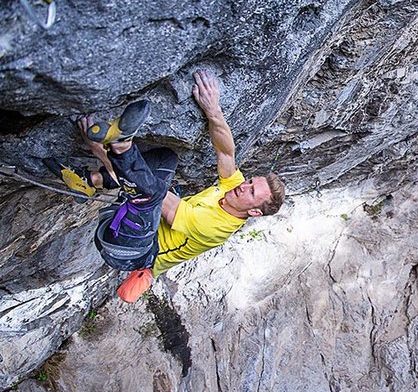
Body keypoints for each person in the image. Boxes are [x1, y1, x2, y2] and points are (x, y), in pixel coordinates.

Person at [45, 70, 285, 302]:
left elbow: (159, 199)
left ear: (254, 211)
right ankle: (90, 182)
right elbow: (226, 152)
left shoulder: (215, 229)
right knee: (165, 159)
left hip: (130, 251)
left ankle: (120, 144)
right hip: (136, 223)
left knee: (153, 192)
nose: (244, 186)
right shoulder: (235, 188)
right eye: (251, 181)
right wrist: (213, 111)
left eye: (251, 191)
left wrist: (101, 151)